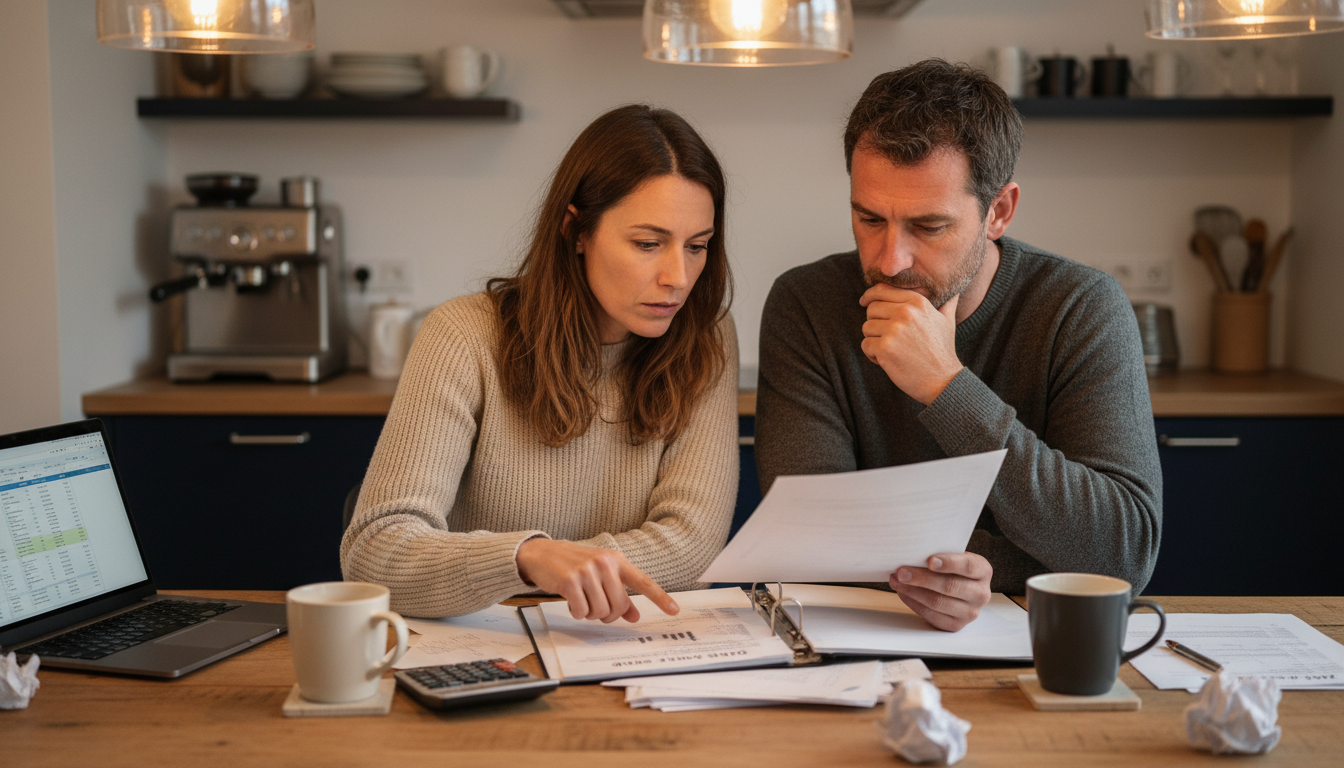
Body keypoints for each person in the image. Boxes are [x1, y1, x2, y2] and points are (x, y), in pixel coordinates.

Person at [755, 59, 1162, 632]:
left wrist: (945, 386)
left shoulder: (1081, 306)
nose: (889, 260)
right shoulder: (807, 303)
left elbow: (1122, 551)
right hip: (854, 638)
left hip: (1027, 645)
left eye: (928, 227)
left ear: (998, 211)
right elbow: (809, 534)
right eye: (869, 218)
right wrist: (998, 559)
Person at [341, 104, 739, 623]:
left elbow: (693, 547)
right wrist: (526, 558)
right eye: (648, 244)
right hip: (482, 646)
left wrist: (574, 568)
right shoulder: (463, 336)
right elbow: (376, 553)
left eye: (697, 247)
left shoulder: (706, 338)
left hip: (618, 643)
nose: (679, 277)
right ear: (576, 231)